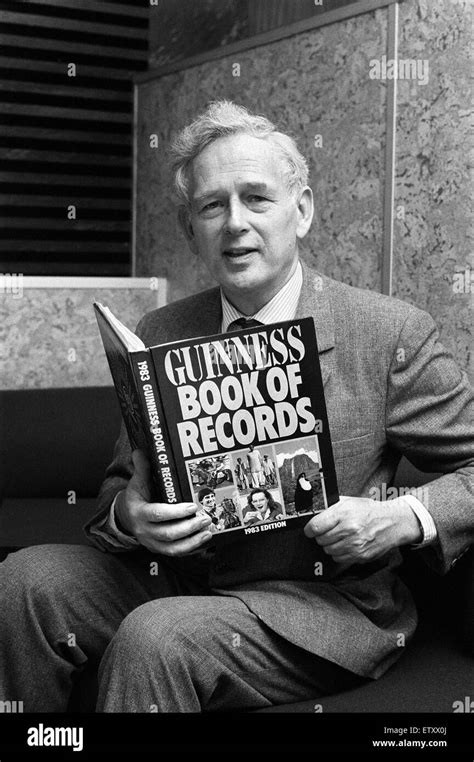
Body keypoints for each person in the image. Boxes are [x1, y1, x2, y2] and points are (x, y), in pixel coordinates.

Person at [1, 100, 472, 714]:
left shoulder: (389, 332)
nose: (235, 223)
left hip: (318, 604)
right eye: (211, 205)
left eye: (257, 198)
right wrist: (130, 516)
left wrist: (406, 517)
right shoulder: (163, 328)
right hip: (184, 579)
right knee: (23, 582)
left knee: (158, 637)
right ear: (190, 228)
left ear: (301, 211)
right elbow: (119, 488)